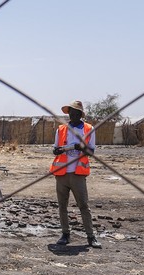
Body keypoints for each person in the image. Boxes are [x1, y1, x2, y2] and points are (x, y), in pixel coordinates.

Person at [50, 100, 101, 248]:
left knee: (83, 206)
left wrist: (81, 147)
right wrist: (58, 150)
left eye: (74, 112)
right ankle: (65, 234)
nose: (71, 115)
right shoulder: (61, 129)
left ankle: (91, 236)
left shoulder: (88, 129)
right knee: (62, 206)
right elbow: (55, 149)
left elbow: (91, 152)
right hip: (62, 173)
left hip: (78, 173)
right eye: (69, 112)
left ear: (80, 114)